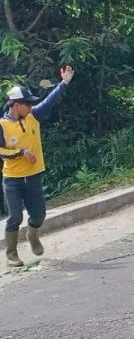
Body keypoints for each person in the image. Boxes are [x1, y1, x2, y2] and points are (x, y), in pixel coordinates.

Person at [0, 65, 73, 267]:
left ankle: (33, 235)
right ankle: (12, 254)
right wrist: (21, 152)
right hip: (12, 179)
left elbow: (49, 101)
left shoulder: (33, 116)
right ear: (16, 105)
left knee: (39, 215)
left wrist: (63, 82)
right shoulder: (2, 125)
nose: (31, 106)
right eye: (27, 104)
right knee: (14, 216)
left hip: (33, 176)